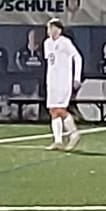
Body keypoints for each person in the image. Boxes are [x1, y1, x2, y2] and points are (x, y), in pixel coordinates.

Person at [42, 19, 84, 151]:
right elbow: (51, 63)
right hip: (52, 81)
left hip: (63, 81)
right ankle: (58, 141)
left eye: (51, 28)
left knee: (60, 109)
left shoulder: (65, 42)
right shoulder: (47, 43)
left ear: (58, 30)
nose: (49, 31)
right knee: (53, 111)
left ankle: (74, 133)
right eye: (48, 28)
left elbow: (77, 57)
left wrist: (76, 78)